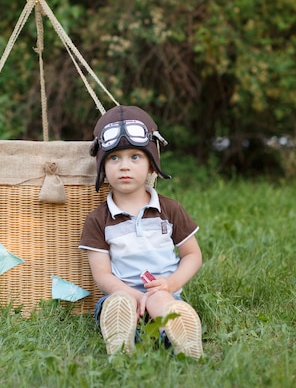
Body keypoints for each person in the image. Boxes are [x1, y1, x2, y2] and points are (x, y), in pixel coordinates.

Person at [79, 105, 203, 359]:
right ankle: (122, 339)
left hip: (164, 294)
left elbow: (192, 255)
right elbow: (101, 274)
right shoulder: (98, 219)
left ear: (151, 166)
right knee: (116, 303)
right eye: (114, 158)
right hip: (122, 294)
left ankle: (181, 334)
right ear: (103, 168)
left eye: (135, 157)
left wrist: (171, 283)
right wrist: (133, 295)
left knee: (160, 301)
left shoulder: (169, 209)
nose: (124, 166)